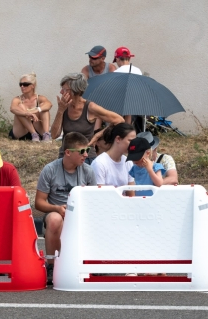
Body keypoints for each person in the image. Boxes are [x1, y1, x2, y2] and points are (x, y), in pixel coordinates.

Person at [35, 132, 97, 284]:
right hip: (57, 213)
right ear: (68, 152)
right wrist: (56, 208)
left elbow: (94, 201)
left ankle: (94, 263)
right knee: (55, 219)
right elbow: (39, 203)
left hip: (81, 214)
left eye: (87, 150)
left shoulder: (88, 171)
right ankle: (52, 265)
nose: (86, 155)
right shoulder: (50, 170)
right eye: (82, 151)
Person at [50, 73, 124, 164]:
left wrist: (98, 135)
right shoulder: (64, 106)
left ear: (75, 91)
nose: (61, 92)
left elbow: (119, 120)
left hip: (85, 158)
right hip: (66, 157)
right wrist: (60, 110)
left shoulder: (90, 107)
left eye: (65, 89)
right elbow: (54, 135)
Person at [91, 123, 136, 191]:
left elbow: (131, 193)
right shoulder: (99, 163)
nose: (133, 145)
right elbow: (99, 195)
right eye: (130, 141)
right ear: (118, 139)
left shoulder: (128, 162)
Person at [9, 73, 53, 142]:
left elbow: (49, 104)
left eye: (25, 84)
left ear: (33, 86)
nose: (22, 86)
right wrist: (26, 114)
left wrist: (35, 111)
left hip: (38, 128)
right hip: (22, 131)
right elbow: (13, 108)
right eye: (20, 84)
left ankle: (46, 135)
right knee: (20, 107)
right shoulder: (17, 99)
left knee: (44, 109)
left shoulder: (40, 98)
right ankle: (34, 134)